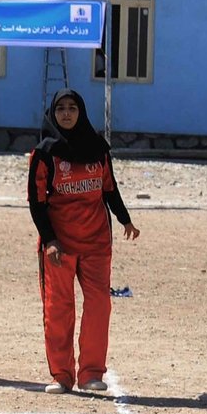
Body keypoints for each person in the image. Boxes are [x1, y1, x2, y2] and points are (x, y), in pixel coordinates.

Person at [27, 88, 140, 394]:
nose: (66, 113)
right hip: (59, 246)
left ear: (81, 112)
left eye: (72, 107)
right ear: (53, 114)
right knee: (59, 308)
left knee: (99, 304)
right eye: (61, 108)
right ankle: (62, 375)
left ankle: (91, 372)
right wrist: (49, 240)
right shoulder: (44, 154)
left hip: (96, 243)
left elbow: (109, 188)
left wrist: (125, 218)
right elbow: (37, 202)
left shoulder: (99, 149)